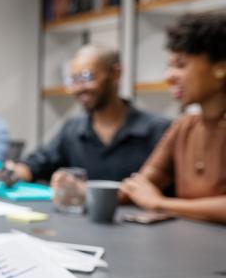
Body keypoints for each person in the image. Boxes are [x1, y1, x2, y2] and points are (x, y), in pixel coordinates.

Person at [9, 45, 170, 189]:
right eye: (73, 79)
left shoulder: (157, 129)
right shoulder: (73, 128)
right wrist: (15, 172)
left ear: (116, 73)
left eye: (87, 77)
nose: (78, 88)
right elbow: (40, 162)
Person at [121, 14, 226, 224]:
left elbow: (150, 198)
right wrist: (84, 191)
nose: (169, 75)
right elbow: (142, 184)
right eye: (170, 65)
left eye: (181, 64)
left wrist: (160, 204)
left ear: (220, 67)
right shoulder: (184, 125)